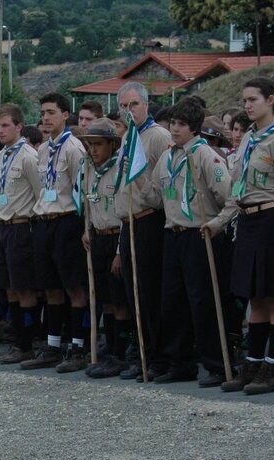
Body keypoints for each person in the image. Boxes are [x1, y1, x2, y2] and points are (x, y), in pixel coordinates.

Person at [204, 77, 274, 395]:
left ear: (271, 100)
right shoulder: (250, 139)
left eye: (254, 99)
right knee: (255, 296)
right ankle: (252, 363)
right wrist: (218, 222)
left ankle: (273, 366)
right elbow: (236, 191)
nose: (248, 105)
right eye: (245, 100)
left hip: (273, 219)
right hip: (248, 223)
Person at [152, 97, 232, 387]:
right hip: (173, 234)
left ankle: (215, 364)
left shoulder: (206, 156)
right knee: (173, 301)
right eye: (172, 123)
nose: (174, 129)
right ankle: (180, 362)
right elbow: (154, 193)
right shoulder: (168, 156)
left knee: (203, 301)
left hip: (201, 234)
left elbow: (230, 197)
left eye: (181, 124)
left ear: (194, 127)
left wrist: (217, 223)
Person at [21, 93, 90, 372]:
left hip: (67, 220)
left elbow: (81, 191)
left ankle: (79, 345)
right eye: (43, 113)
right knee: (50, 287)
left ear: (65, 115)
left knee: (73, 286)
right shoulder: (44, 149)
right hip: (45, 221)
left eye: (51, 112)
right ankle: (53, 344)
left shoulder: (74, 149)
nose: (46, 118)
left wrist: (85, 228)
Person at [113, 81, 174, 381]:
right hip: (128, 221)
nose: (128, 111)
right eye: (123, 106)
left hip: (151, 219)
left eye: (134, 104)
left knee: (150, 292)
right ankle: (142, 352)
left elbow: (165, 181)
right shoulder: (128, 138)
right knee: (132, 292)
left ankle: (159, 356)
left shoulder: (158, 137)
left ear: (147, 105)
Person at [76, 119, 132, 379]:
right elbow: (89, 205)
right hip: (97, 237)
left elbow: (123, 213)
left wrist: (121, 251)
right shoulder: (89, 170)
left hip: (116, 238)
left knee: (119, 300)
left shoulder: (120, 169)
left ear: (112, 144)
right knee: (105, 301)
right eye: (90, 145)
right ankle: (109, 350)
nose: (93, 150)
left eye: (98, 144)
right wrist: (87, 230)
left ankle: (120, 354)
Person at [0, 103, 42, 365]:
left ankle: (28, 343)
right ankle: (16, 341)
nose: (0, 131)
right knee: (8, 288)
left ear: (19, 127)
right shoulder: (0, 157)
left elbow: (40, 192)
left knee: (23, 288)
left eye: (5, 125)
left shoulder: (28, 156)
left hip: (21, 226)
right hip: (1, 227)